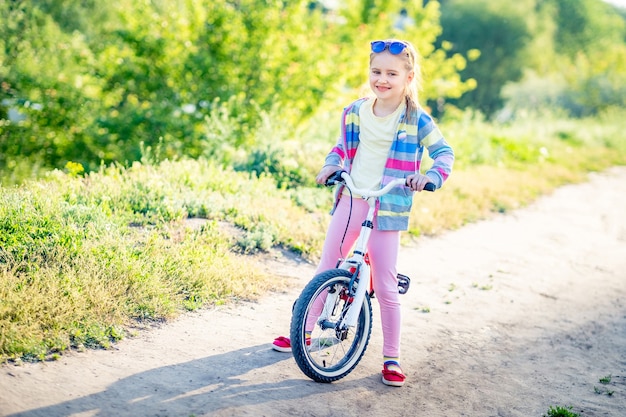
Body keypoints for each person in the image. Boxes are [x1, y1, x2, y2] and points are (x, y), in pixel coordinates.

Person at [272, 38, 455, 387]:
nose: (382, 79)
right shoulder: (356, 111)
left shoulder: (417, 119)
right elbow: (341, 147)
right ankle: (304, 332)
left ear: (408, 76)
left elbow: (444, 153)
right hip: (353, 197)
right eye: (376, 71)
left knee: (385, 283)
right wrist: (332, 165)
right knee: (328, 265)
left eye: (391, 73)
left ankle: (391, 356)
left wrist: (429, 176)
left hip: (388, 204)